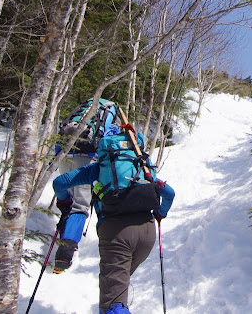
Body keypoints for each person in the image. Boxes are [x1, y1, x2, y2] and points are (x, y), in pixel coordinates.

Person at [53, 123, 175, 314]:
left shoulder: (99, 168)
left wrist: (64, 201)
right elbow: (169, 194)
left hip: (116, 234)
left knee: (113, 304)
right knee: (119, 286)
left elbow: (60, 182)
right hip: (147, 233)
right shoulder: (144, 167)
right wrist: (160, 213)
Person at [53, 99, 117, 273]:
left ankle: (64, 233)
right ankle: (64, 255)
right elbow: (108, 142)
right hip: (86, 159)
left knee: (70, 200)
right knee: (80, 207)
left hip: (64, 157)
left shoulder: (80, 114)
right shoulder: (105, 120)